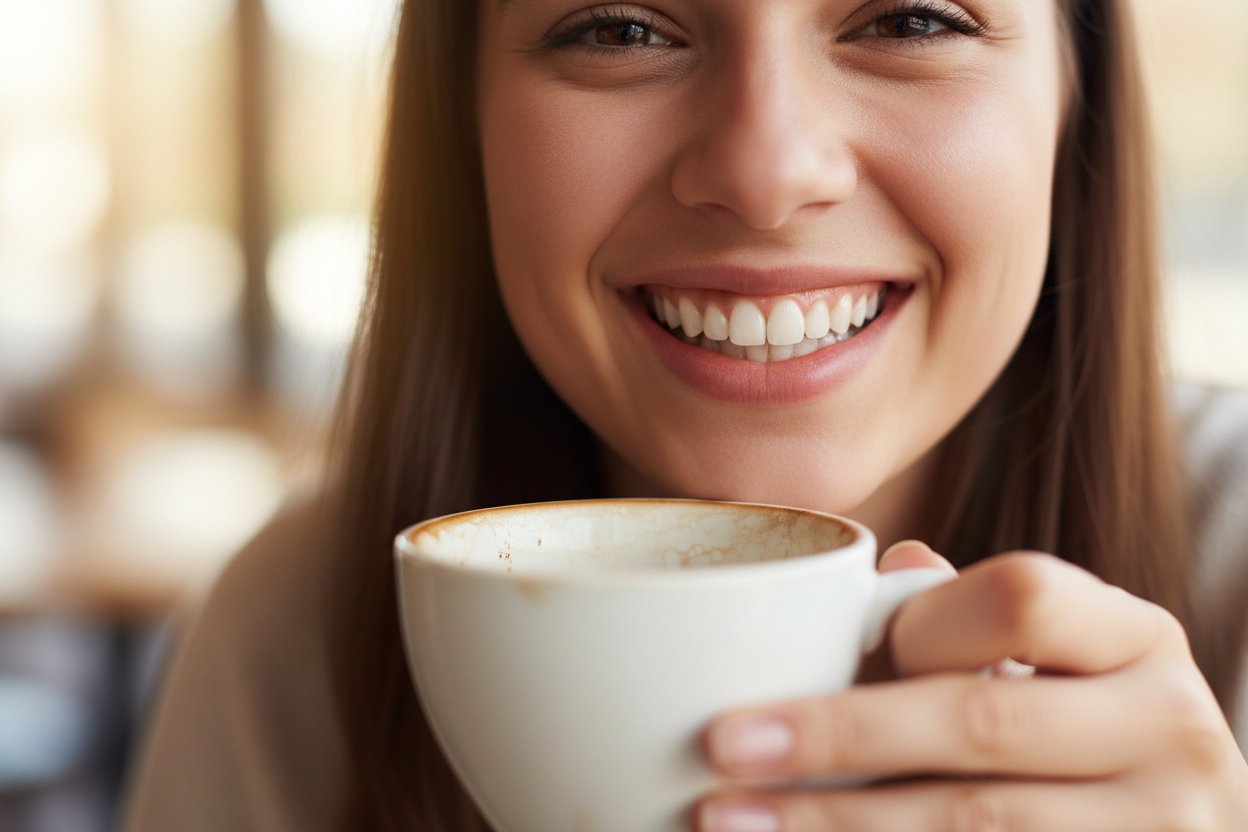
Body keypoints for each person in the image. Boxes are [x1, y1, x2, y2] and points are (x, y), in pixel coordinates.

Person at [123, 0, 1248, 829]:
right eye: (618, 28)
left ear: (1074, 98)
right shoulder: (293, 630)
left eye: (910, 18)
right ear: (459, 129)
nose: (765, 173)